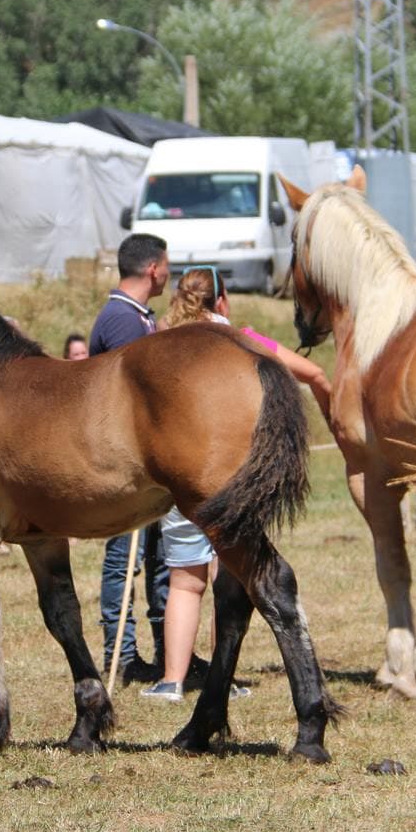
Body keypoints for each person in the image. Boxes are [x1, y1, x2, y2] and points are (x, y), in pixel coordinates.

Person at [140, 265, 329, 702]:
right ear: (221, 301)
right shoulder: (241, 339)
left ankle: (172, 679)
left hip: (176, 472)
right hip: (235, 467)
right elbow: (309, 372)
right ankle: (223, 675)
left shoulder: (160, 340)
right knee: (233, 571)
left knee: (185, 580)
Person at [88, 232, 172, 682]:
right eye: (167, 265)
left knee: (158, 560)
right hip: (123, 462)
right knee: (125, 559)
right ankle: (120, 655)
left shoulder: (138, 316)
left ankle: (166, 652)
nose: (169, 272)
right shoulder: (121, 320)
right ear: (154, 269)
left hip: (148, 462)